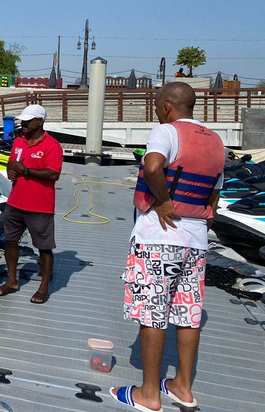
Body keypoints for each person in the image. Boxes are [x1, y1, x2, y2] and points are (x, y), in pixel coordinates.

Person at [110, 82, 225, 412]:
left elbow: (153, 167)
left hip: (159, 238)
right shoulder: (216, 141)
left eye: (157, 104)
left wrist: (162, 202)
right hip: (197, 240)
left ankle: (149, 394)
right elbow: (214, 193)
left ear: (166, 107)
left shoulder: (166, 132)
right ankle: (182, 387)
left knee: (152, 314)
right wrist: (200, 218)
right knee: (189, 315)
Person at [0, 104, 62, 305]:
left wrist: (26, 171)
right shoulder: (18, 142)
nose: (23, 124)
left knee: (44, 247)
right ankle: (12, 281)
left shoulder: (53, 146)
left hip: (40, 206)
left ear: (39, 121)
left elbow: (53, 174)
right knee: (10, 242)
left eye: (27, 121)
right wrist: (11, 171)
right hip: (15, 202)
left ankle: (44, 287)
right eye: (22, 121)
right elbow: (13, 163)